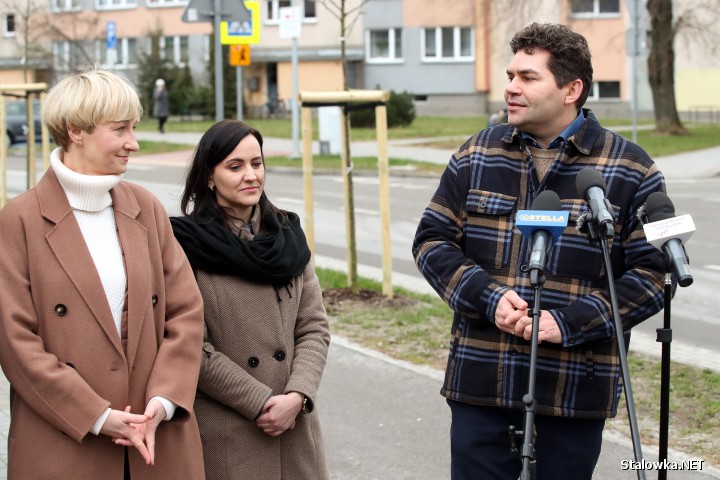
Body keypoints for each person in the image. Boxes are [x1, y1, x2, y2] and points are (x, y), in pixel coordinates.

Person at [412, 23, 667, 480]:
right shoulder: (477, 154)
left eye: (528, 78)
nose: (511, 88)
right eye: (511, 75)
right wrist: (488, 298)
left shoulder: (631, 168)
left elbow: (653, 275)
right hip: (482, 380)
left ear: (572, 89)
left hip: (573, 391)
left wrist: (569, 322)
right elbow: (432, 241)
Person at [0, 67, 206, 479]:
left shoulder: (144, 208)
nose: (133, 142)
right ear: (77, 131)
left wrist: (163, 401)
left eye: (134, 127)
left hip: (156, 440)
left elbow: (186, 312)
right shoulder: (19, 220)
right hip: (65, 442)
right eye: (120, 129)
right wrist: (96, 416)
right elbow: (15, 340)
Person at [170, 119, 331, 480]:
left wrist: (298, 395)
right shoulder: (182, 245)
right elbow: (188, 344)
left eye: (256, 164)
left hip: (295, 425)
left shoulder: (288, 236)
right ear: (209, 177)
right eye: (235, 166)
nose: (250, 176)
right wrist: (257, 401)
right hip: (230, 429)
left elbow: (314, 327)